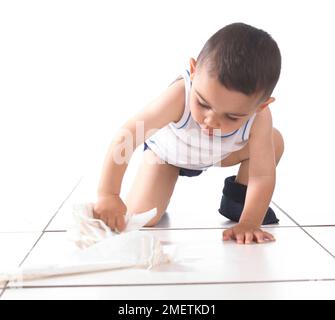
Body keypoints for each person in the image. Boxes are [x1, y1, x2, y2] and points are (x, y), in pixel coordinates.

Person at [93, 22, 285, 244]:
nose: (210, 120)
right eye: (203, 103)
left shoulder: (260, 116)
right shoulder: (178, 97)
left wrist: (250, 222)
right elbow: (127, 137)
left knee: (273, 141)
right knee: (142, 218)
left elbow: (262, 175)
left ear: (260, 105)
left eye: (232, 117)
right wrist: (108, 194)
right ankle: (150, 188)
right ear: (193, 71)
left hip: (217, 153)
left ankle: (238, 200)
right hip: (166, 156)